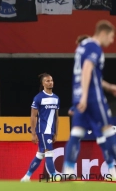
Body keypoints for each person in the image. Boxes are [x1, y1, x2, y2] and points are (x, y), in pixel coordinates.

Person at [63, 20, 116, 179]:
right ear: (104, 33)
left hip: (78, 95)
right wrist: (87, 96)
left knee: (77, 132)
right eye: (112, 37)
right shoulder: (95, 47)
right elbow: (87, 67)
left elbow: (91, 75)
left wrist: (109, 87)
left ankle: (68, 170)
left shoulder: (82, 46)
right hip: (93, 96)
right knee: (108, 130)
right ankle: (113, 169)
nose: (112, 41)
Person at [21, 73, 59, 182]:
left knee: (40, 154)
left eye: (51, 80)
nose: (50, 82)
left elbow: (57, 117)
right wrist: (33, 133)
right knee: (49, 153)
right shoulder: (39, 98)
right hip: (43, 130)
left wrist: (56, 133)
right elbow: (33, 116)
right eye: (47, 81)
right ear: (43, 83)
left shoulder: (56, 98)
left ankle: (26, 177)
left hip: (50, 131)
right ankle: (54, 177)